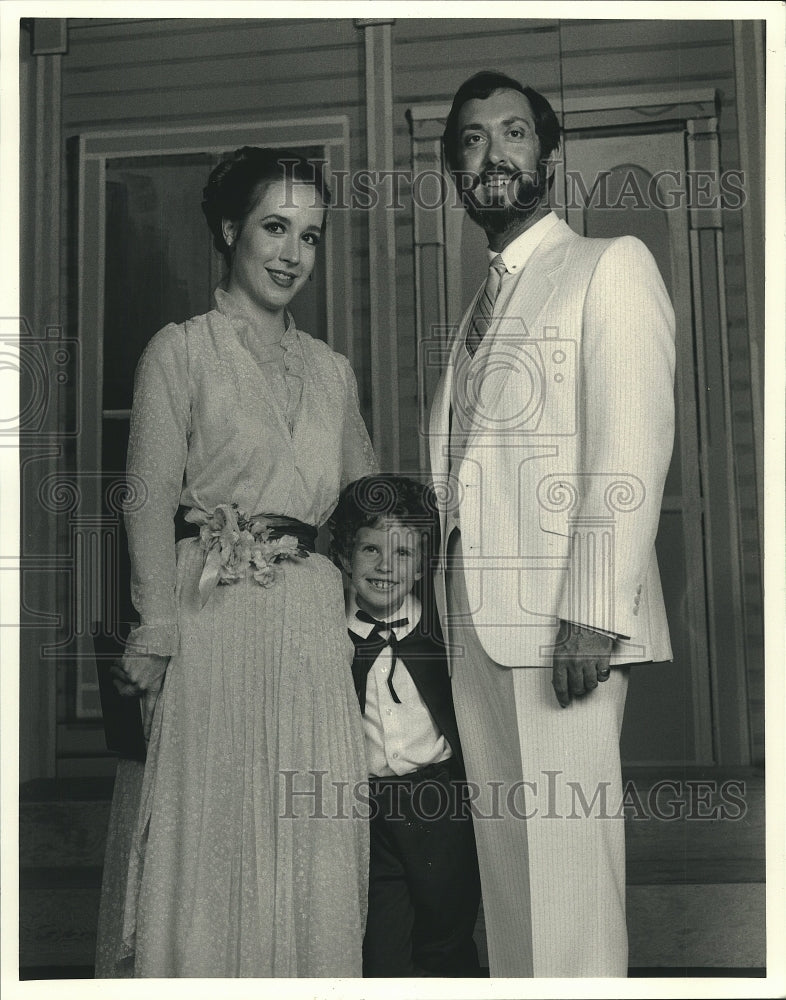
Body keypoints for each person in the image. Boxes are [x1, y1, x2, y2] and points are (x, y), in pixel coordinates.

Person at [95, 146, 377, 978]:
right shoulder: (180, 352)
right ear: (230, 231)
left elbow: (364, 504)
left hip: (310, 627)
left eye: (312, 237)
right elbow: (146, 497)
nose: (294, 254)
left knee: (311, 832)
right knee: (214, 830)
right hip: (212, 618)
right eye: (275, 229)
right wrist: (155, 631)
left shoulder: (332, 372)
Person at [428, 71, 676, 977]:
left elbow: (633, 445)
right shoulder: (478, 310)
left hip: (562, 627)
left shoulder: (607, 266)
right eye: (470, 139)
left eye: (513, 133)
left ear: (547, 151)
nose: (493, 154)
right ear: (455, 167)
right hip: (479, 636)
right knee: (514, 892)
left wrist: (595, 609)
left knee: (569, 892)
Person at [329, 475, 482, 977]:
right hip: (367, 810)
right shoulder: (329, 637)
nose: (385, 567)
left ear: (422, 566)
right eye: (370, 549)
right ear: (345, 557)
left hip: (440, 801)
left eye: (403, 553)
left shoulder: (441, 630)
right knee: (382, 952)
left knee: (446, 939)